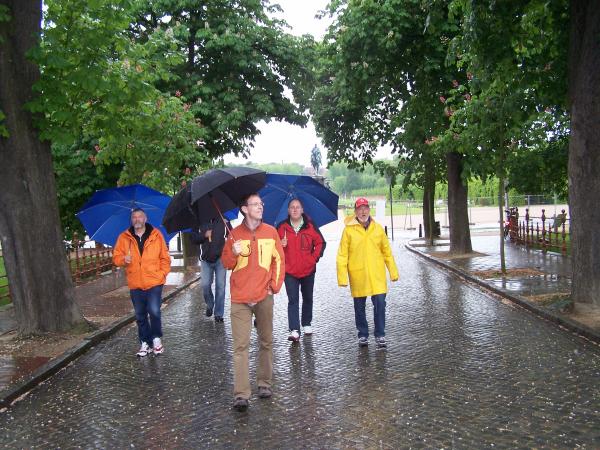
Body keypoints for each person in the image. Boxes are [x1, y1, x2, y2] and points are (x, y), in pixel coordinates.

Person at [221, 193, 285, 412]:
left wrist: (273, 286)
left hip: (263, 296)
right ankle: (241, 394)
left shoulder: (271, 232)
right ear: (245, 209)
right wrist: (233, 252)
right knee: (240, 346)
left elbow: (279, 260)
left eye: (261, 204)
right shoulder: (234, 235)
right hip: (240, 298)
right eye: (255, 204)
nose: (260, 207)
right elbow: (226, 263)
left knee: (266, 341)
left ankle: (264, 383)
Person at [336, 197, 398, 349]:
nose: (363, 212)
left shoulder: (378, 229)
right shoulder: (348, 231)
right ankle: (363, 334)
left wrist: (393, 272)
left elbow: (387, 252)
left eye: (365, 208)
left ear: (369, 210)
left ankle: (380, 334)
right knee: (359, 307)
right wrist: (342, 278)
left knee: (380, 304)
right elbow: (342, 255)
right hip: (358, 275)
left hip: (377, 275)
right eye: (360, 209)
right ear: (355, 212)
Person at [113, 208, 171, 357]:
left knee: (154, 311)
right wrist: (123, 259)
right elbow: (116, 258)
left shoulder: (156, 235)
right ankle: (145, 342)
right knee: (140, 315)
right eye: (134, 217)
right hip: (135, 282)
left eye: (140, 217)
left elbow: (165, 258)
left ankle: (156, 339)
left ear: (145, 219)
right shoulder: (124, 237)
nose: (137, 219)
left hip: (154, 281)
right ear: (131, 220)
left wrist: (162, 274)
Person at [276, 198, 326, 342]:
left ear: (302, 210)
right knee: (293, 300)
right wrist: (279, 244)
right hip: (290, 271)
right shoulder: (281, 227)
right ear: (288, 210)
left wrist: (313, 259)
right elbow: (272, 247)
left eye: (298, 207)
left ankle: (306, 323)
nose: (295, 209)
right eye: (292, 207)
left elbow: (321, 243)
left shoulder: (310, 225)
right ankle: (294, 329)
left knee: (308, 297)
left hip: (308, 270)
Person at [189, 218, 228, 322]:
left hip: (220, 260)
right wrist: (204, 235)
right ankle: (210, 304)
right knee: (205, 285)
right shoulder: (198, 221)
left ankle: (219, 314)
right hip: (205, 260)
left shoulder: (223, 219)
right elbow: (192, 239)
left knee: (221, 286)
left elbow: (231, 235)